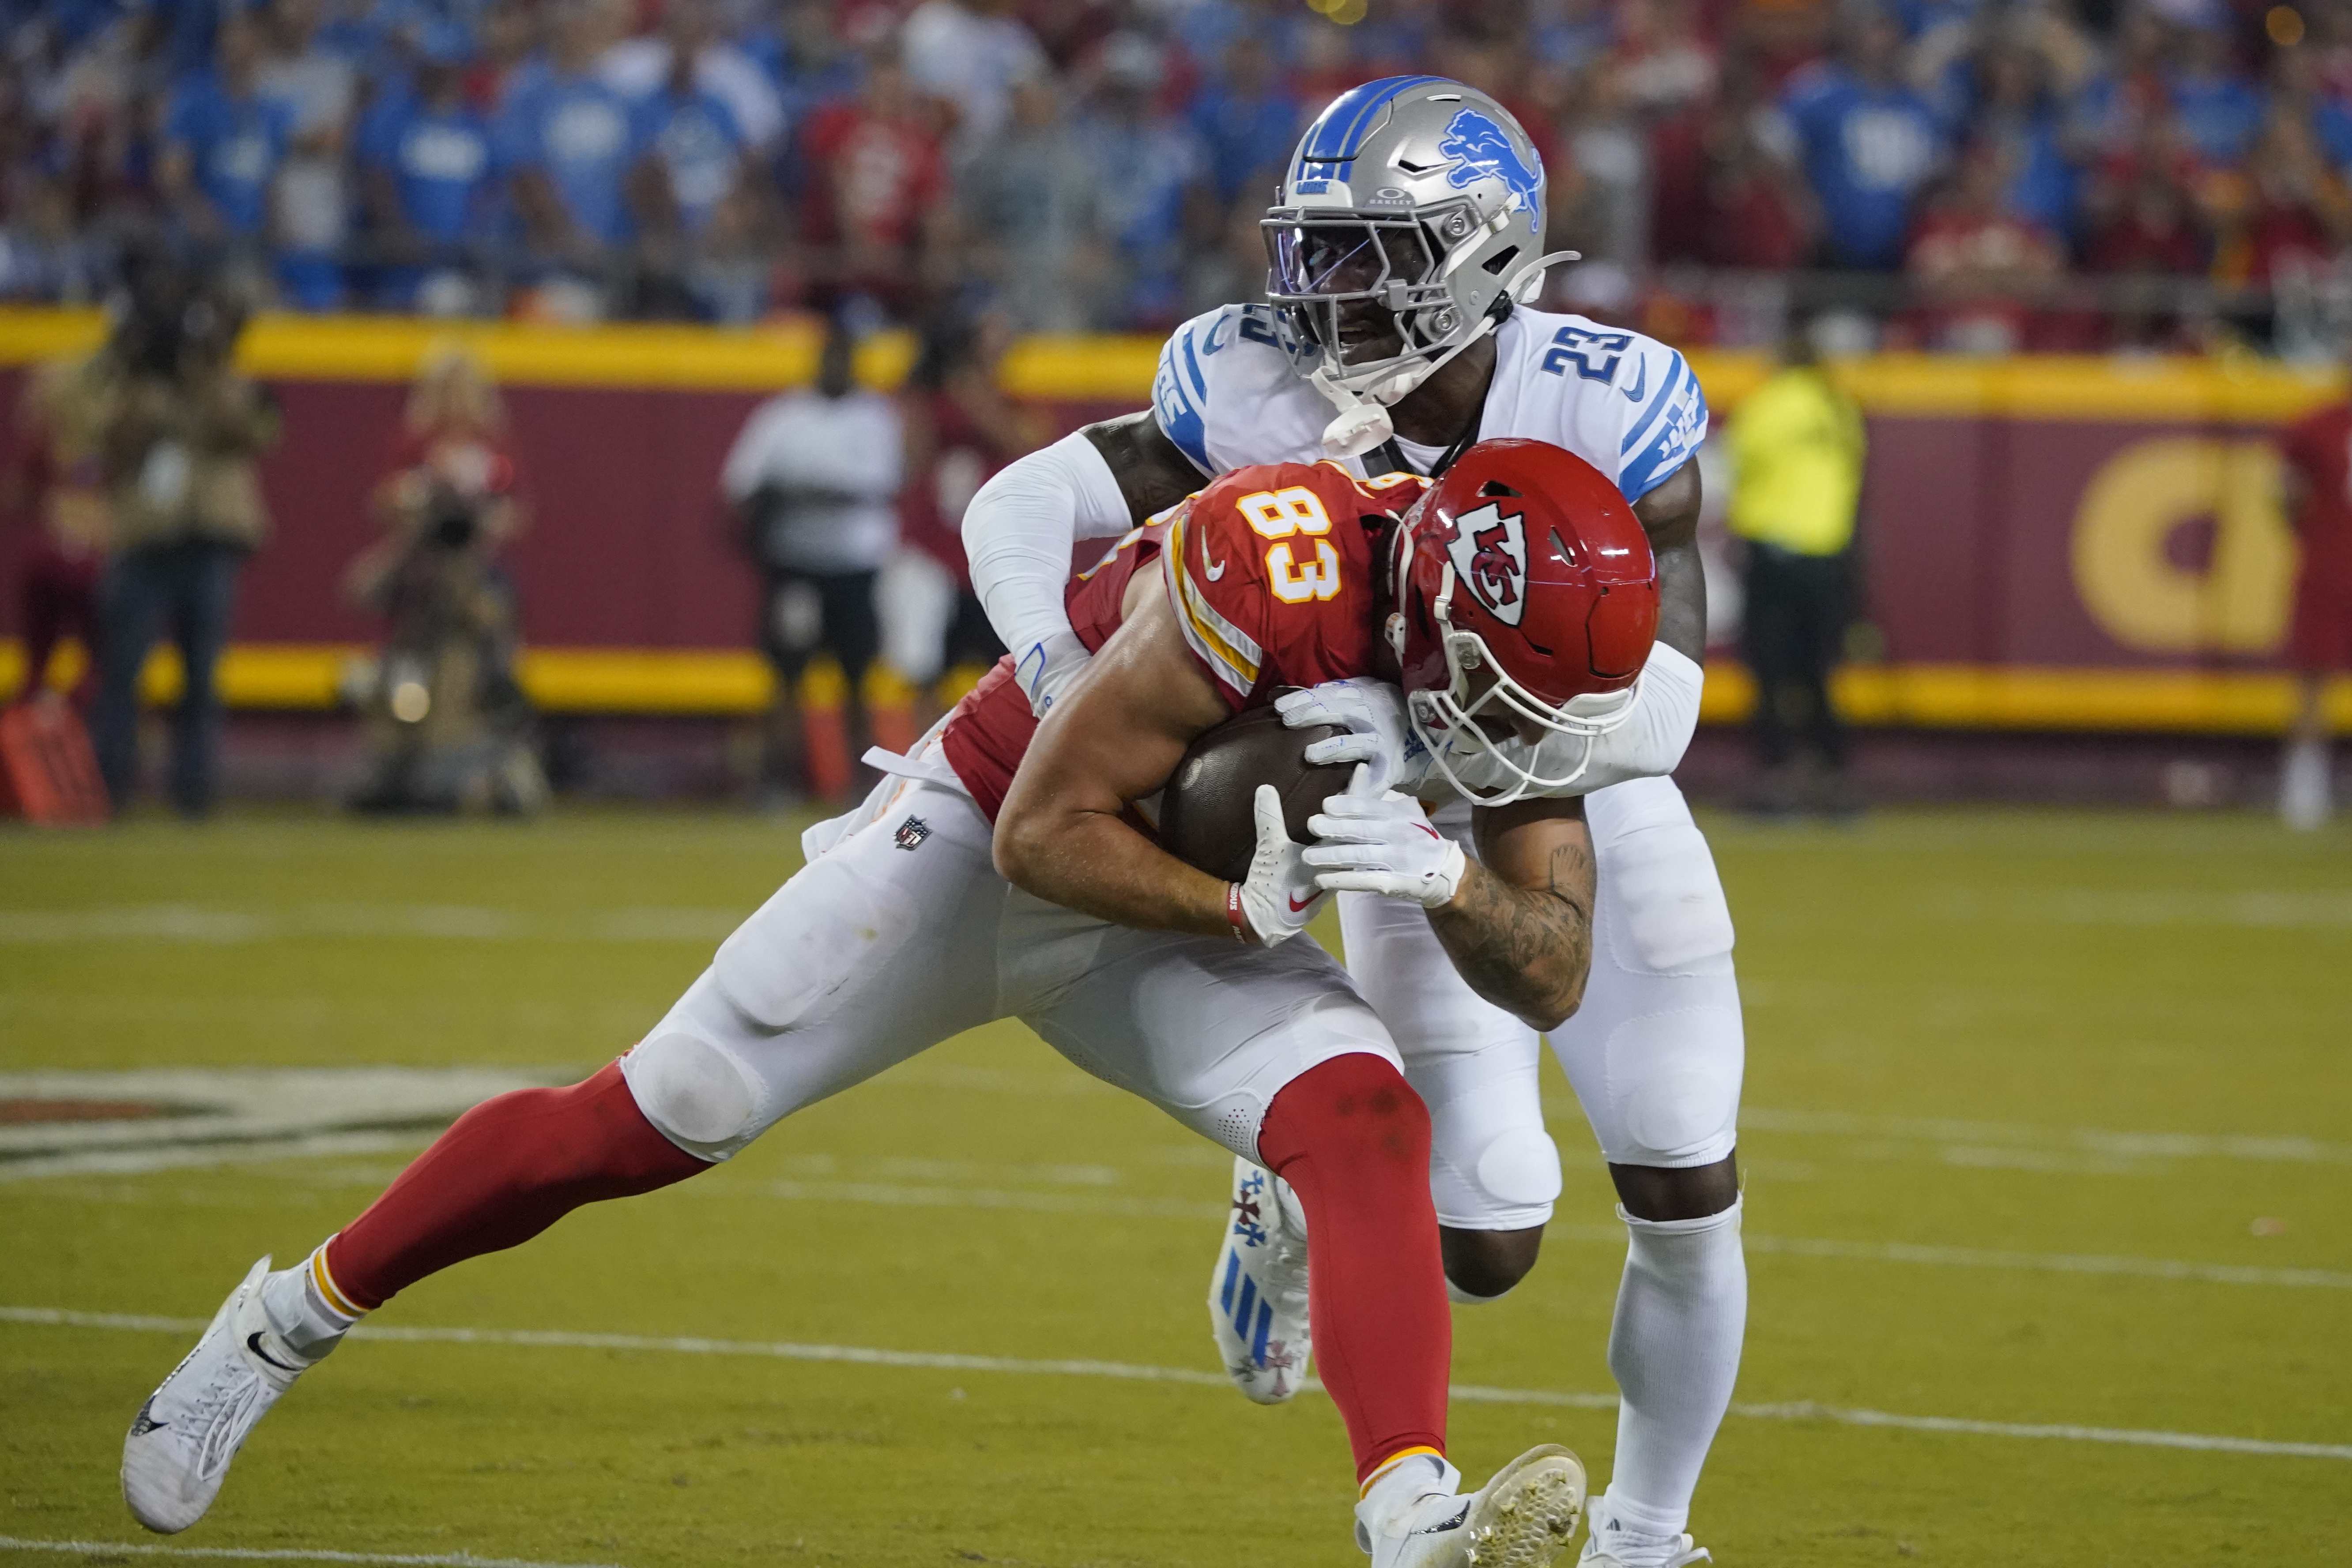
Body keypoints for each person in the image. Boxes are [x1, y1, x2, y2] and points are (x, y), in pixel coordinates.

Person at [119, 440, 1637, 1568]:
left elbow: (1550, 965)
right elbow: (1050, 831)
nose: (1507, 736)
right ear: (1431, 604)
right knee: (661, 1111)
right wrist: (1232, 911)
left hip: (1179, 899)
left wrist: (1443, 878)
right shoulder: (1278, 560)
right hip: (987, 843)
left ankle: (1409, 1520)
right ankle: (277, 1324)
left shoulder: (1524, 662)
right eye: (1490, 696)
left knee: (1365, 1114)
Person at [958, 78, 1738, 1568]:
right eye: (1315, 249)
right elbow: (1013, 507)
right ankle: (1286, 1184)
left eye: (1374, 250)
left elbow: (1670, 702)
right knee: (1491, 1233)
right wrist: (1061, 680)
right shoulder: (1247, 379)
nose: (1327, 290)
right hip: (1374, 816)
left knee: (1686, 1174)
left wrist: (1450, 718)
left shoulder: (1600, 392)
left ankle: (1651, 1538)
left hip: (1572, 788)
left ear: (1487, 251)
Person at [88, 262, 279, 818]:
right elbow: (112, 451)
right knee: (122, 672)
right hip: (144, 538)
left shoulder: (228, 385)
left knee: (200, 678)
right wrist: (149, 386)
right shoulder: (136, 388)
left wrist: (202, 375)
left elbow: (250, 434)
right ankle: (109, 788)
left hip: (208, 539)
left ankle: (194, 795)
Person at [342, 347, 541, 814]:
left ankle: (482, 774)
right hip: (422, 578)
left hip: (472, 575)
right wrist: (421, 510)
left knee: (477, 676)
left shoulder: (495, 449)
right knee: (405, 684)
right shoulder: (414, 446)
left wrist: (478, 520)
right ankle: (399, 766)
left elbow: (515, 513)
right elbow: (385, 502)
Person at [722, 315, 906, 802]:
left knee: (858, 677)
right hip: (796, 563)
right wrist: (784, 497)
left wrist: (807, 489)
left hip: (854, 563)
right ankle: (778, 779)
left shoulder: (875, 415)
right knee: (786, 676)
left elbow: (879, 484)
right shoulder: (783, 415)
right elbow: (740, 485)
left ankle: (863, 785)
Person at [1724, 318, 1866, 817]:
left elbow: (1740, 465)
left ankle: (1777, 781)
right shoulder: (1838, 408)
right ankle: (1834, 781)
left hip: (1775, 553)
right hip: (1829, 556)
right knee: (1819, 676)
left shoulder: (1767, 404)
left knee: (1769, 675)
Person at [7, 341, 118, 707]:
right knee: (102, 663)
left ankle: (30, 736)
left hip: (48, 549)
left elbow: (24, 488)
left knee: (38, 661)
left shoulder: (48, 424)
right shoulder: (121, 423)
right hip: (98, 555)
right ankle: (70, 726)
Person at [2274, 366, 2352, 829]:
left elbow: (2287, 495)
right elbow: (2288, 490)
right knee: (2312, 682)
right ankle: (2305, 786)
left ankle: (2306, 787)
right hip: (2328, 567)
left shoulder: (2318, 426)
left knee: (2312, 684)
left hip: (2327, 563)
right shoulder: (2316, 426)